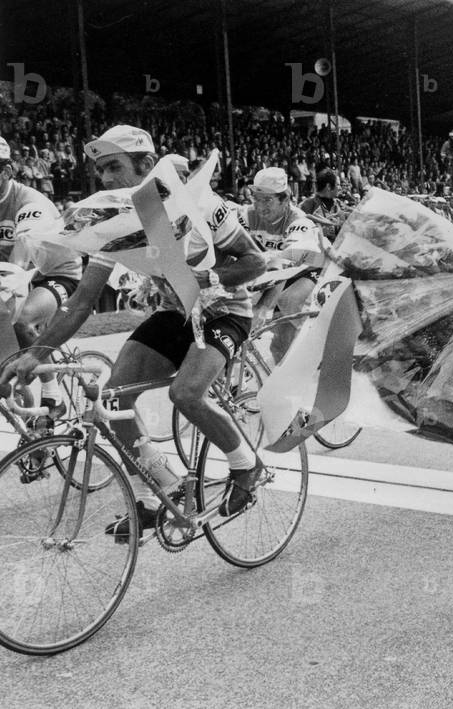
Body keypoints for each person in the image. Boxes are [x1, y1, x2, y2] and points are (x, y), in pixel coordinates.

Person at [0, 125, 267, 536]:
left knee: (185, 393)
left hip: (224, 312)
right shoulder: (113, 224)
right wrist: (35, 353)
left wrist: (207, 275)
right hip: (175, 315)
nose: (105, 179)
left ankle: (245, 467)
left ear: (145, 164)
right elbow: (81, 302)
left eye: (113, 167)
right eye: (100, 170)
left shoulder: (201, 203)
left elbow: (255, 262)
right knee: (112, 398)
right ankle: (160, 492)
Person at [0, 135, 83, 420]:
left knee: (22, 320)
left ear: (7, 171)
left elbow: (19, 262)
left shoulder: (30, 201)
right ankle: (30, 420)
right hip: (23, 276)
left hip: (56, 273)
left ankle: (53, 396)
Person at [241, 167, 325, 362]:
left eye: (267, 200)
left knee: (288, 300)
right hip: (277, 272)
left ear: (285, 199)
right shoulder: (248, 214)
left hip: (306, 270)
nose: (260, 207)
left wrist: (262, 307)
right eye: (256, 199)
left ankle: (317, 346)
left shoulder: (299, 221)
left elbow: (285, 266)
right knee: (278, 348)